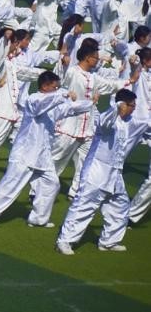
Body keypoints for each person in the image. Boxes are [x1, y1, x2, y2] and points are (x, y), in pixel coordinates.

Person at [0, 72, 92, 229]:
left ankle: (38, 219)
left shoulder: (54, 104)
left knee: (51, 184)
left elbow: (71, 108)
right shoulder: (33, 99)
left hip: (42, 155)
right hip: (24, 154)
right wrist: (64, 94)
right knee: (10, 185)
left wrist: (90, 103)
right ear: (45, 86)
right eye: (55, 87)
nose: (57, 90)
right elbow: (44, 104)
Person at [56, 89, 150, 254]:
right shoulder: (107, 120)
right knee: (84, 205)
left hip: (115, 174)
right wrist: (117, 108)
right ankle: (64, 241)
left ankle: (108, 242)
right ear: (122, 105)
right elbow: (107, 121)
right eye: (132, 105)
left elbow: (147, 123)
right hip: (96, 171)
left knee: (120, 206)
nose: (134, 108)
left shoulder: (133, 123)